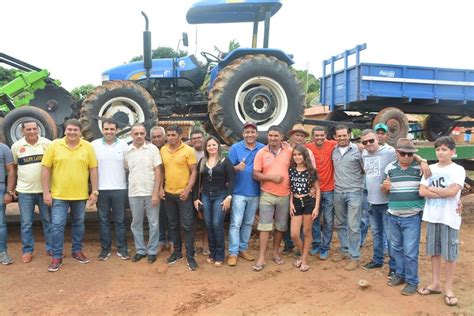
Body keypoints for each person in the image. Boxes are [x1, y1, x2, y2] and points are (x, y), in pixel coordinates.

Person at [42, 119, 98, 272]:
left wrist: (94, 190)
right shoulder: (54, 146)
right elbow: (46, 169)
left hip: (80, 196)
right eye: (70, 129)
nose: (72, 132)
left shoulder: (87, 147)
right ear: (65, 130)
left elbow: (93, 169)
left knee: (79, 225)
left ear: (80, 132)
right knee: (57, 226)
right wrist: (46, 192)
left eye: (75, 130)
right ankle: (57, 257)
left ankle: (76, 251)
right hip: (59, 195)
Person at [419, 136, 465, 306]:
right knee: (435, 252)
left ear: (452, 151)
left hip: (449, 218)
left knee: (450, 254)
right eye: (438, 149)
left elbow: (452, 193)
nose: (440, 152)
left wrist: (431, 188)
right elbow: (422, 192)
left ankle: (449, 288)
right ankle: (435, 283)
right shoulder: (430, 169)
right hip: (433, 216)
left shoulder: (458, 170)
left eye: (444, 149)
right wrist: (441, 191)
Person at [381, 138, 425, 296]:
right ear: (396, 153)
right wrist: (384, 188)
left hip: (412, 217)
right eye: (403, 153)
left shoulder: (419, 168)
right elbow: (384, 189)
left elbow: (430, 176)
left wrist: (422, 160)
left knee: (410, 252)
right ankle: (400, 275)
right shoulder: (390, 168)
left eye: (410, 154)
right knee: (396, 249)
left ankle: (412, 282)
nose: (406, 156)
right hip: (393, 216)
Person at [11, 120, 51, 263]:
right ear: (23, 131)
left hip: (44, 191)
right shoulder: (17, 147)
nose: (32, 131)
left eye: (34, 128)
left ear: (38, 129)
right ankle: (27, 250)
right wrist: (13, 188)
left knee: (47, 221)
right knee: (26, 223)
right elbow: (14, 169)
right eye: (28, 129)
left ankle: (51, 247)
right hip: (25, 192)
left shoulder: (47, 144)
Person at [252, 125, 292, 271]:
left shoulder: (290, 151)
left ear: (282, 137)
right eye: (271, 135)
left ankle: (275, 252)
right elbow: (255, 174)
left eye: (276, 135)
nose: (273, 138)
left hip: (285, 195)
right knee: (264, 227)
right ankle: (261, 257)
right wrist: (271, 178)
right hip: (267, 195)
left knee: (280, 226)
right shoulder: (261, 153)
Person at [160, 125, 198, 271]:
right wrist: (161, 188)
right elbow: (163, 170)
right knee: (173, 225)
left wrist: (188, 190)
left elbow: (193, 171)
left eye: (173, 135)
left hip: (183, 195)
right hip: (169, 194)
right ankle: (177, 253)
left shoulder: (188, 151)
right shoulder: (163, 150)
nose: (170, 138)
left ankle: (190, 256)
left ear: (180, 135)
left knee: (187, 225)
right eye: (168, 135)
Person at [227, 121, 264, 266]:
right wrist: (236, 168)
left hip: (255, 192)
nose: (250, 134)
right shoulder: (235, 148)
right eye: (247, 132)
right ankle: (233, 252)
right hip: (238, 192)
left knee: (248, 223)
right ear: (243, 134)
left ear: (257, 134)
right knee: (236, 223)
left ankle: (243, 249)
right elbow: (227, 170)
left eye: (252, 132)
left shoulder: (262, 148)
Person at [92, 118, 129, 261]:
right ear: (102, 129)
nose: (109, 132)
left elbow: (127, 166)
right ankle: (105, 249)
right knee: (103, 221)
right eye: (106, 129)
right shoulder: (94, 145)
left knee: (120, 221)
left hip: (120, 189)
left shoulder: (123, 145)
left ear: (117, 130)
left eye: (112, 129)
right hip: (101, 189)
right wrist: (94, 190)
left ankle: (122, 248)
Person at [193, 136, 234, 266]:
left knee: (217, 224)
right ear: (206, 148)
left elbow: (232, 180)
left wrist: (229, 197)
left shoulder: (225, 161)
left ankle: (220, 256)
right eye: (209, 145)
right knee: (208, 224)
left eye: (214, 145)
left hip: (220, 195)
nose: (211, 147)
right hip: (205, 196)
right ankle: (212, 253)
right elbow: (197, 182)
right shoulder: (202, 161)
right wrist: (195, 198)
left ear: (218, 146)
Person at [124, 124, 162, 263]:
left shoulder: (152, 149)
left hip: (150, 191)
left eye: (141, 133)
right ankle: (140, 250)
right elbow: (127, 168)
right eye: (136, 133)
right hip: (134, 192)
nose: (139, 136)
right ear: (131, 135)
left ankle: (152, 250)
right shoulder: (127, 151)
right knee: (136, 223)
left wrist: (155, 193)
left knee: (153, 222)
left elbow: (158, 171)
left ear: (145, 134)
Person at [360, 129, 396, 272]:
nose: (368, 144)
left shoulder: (389, 151)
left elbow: (408, 156)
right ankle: (377, 260)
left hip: (386, 202)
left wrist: (422, 161)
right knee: (376, 233)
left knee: (390, 235)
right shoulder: (364, 153)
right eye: (365, 142)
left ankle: (393, 266)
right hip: (371, 201)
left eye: (371, 140)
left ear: (377, 139)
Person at [331, 124, 364, 271]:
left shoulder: (358, 150)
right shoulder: (334, 151)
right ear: (335, 137)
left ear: (349, 135)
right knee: (341, 224)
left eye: (344, 135)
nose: (342, 138)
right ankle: (344, 250)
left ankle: (355, 256)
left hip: (354, 192)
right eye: (339, 136)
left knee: (353, 225)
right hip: (338, 192)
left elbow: (365, 169)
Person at [283, 125, 316, 256]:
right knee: (286, 219)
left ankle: (303, 250)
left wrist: (312, 186)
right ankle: (289, 244)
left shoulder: (308, 152)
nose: (299, 138)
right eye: (297, 135)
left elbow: (312, 171)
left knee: (305, 226)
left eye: (302, 136)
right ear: (291, 136)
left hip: (304, 192)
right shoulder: (285, 149)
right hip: (289, 189)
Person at [306, 126, 337, 260]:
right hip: (314, 190)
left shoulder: (332, 145)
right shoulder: (308, 147)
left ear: (326, 135)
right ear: (312, 137)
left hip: (329, 189)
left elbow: (347, 143)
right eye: (317, 135)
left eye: (322, 135)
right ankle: (316, 244)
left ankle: (325, 247)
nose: (319, 138)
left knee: (329, 220)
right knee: (315, 219)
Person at [289, 144, 320, 272]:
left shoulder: (311, 171)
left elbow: (317, 189)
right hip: (296, 201)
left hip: (309, 201)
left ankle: (304, 259)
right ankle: (303, 255)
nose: (297, 157)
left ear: (304, 156)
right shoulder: (291, 170)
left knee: (307, 232)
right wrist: (290, 202)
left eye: (299, 154)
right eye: (295, 155)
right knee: (295, 234)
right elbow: (291, 188)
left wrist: (316, 207)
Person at [151, 126, 172, 253]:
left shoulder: (168, 149)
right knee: (157, 216)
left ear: (164, 137)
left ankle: (171, 241)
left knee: (170, 215)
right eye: (154, 137)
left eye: (159, 136)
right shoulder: (150, 149)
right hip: (154, 187)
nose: (157, 139)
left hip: (169, 186)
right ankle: (161, 241)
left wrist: (162, 188)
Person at [190, 129, 209, 256]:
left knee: (205, 219)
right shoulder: (188, 151)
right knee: (190, 220)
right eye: (194, 138)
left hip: (205, 190)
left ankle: (205, 244)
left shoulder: (209, 151)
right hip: (190, 190)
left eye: (199, 137)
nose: (197, 140)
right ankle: (191, 246)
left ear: (204, 138)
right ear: (191, 140)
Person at [0, 139, 15, 265]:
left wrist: (8, 191)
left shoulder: (3, 148)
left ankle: (2, 252)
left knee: (0, 224)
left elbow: (11, 170)